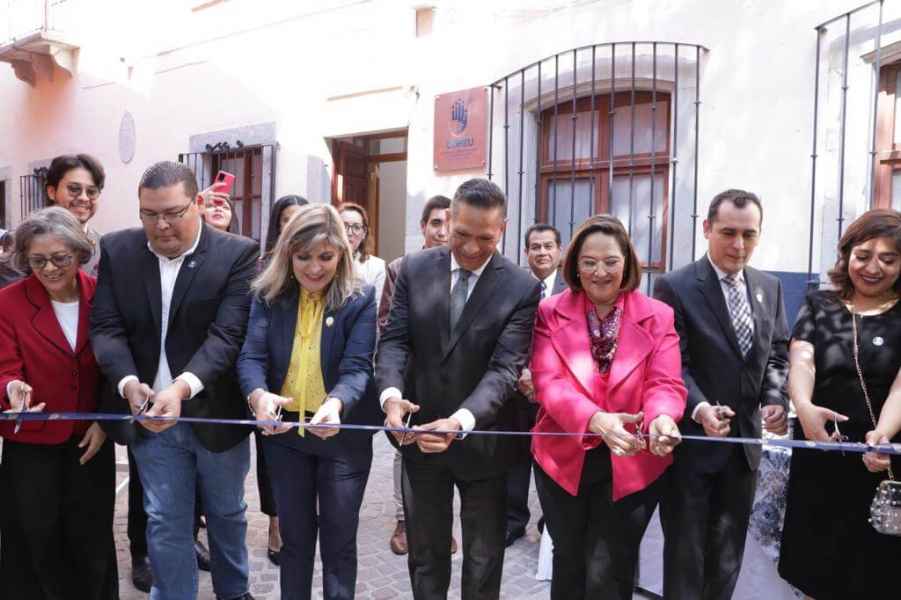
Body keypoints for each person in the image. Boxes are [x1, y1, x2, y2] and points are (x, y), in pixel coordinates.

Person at [90, 161, 258, 600]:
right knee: (165, 519)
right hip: (150, 417)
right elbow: (106, 327)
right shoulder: (119, 251)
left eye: (172, 213)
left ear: (198, 203)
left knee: (227, 513)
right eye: (149, 214)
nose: (160, 225)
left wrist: (181, 388)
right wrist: (128, 383)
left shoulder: (237, 253)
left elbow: (227, 336)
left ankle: (233, 592)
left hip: (215, 412)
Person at [377, 178, 541, 600]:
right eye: (462, 234)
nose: (470, 248)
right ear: (449, 219)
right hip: (419, 437)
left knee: (484, 560)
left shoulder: (522, 287)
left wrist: (460, 421)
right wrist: (391, 397)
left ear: (502, 229)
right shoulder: (413, 268)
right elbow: (394, 341)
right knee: (426, 556)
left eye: (485, 238)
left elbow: (504, 370)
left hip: (484, 441)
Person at [530, 215, 684, 599]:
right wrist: (595, 420)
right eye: (589, 262)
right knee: (569, 560)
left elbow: (664, 382)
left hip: (632, 459)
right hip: (563, 456)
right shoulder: (550, 311)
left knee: (613, 566)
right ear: (574, 265)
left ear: (627, 263)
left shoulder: (658, 315)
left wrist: (662, 417)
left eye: (611, 261)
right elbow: (549, 382)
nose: (600, 272)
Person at [237, 202, 380, 600]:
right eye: (303, 257)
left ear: (342, 254)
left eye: (325, 257)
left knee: (339, 544)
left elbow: (357, 366)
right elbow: (251, 357)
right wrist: (258, 395)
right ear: (288, 253)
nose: (314, 268)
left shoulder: (359, 297)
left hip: (342, 439)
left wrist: (336, 404)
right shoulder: (268, 295)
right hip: (285, 437)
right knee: (294, 543)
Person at [653, 188, 790, 600]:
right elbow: (673, 363)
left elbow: (777, 351)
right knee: (686, 556)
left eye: (749, 234)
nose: (739, 245)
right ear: (707, 228)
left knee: (727, 557)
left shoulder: (769, 286)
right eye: (729, 232)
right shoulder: (675, 286)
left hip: (744, 449)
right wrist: (699, 408)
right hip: (692, 448)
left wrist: (775, 398)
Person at [778, 209, 901, 599]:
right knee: (819, 568)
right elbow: (802, 360)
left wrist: (883, 435)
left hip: (883, 459)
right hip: (822, 451)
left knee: (878, 571)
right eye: (863, 255)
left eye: (889, 259)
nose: (873, 268)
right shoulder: (820, 304)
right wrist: (803, 406)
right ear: (846, 254)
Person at [0, 207, 117, 599]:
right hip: (30, 443)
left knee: (91, 542)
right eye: (38, 260)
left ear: (79, 253)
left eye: (59, 258)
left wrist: (105, 420)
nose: (49, 269)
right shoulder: (8, 302)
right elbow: (4, 366)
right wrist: (11, 388)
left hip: (90, 440)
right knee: (33, 542)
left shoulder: (103, 296)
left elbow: (117, 366)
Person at [378, 194, 454, 556]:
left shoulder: (464, 267)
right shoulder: (402, 268)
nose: (443, 231)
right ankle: (404, 519)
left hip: (452, 381)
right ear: (423, 227)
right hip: (412, 378)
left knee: (447, 446)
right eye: (435, 223)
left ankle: (441, 524)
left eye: (449, 223)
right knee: (406, 447)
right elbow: (387, 325)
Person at [505, 223, 567, 547]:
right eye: (535, 247)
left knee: (552, 460)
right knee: (515, 458)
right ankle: (513, 521)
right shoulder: (515, 287)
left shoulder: (573, 290)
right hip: (518, 390)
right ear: (526, 252)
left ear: (559, 250)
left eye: (548, 246)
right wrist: (520, 373)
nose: (542, 252)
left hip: (556, 393)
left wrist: (542, 378)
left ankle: (551, 522)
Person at [255, 193, 309, 566]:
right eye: (286, 219)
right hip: (272, 383)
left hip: (309, 383)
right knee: (270, 459)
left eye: (299, 218)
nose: (293, 225)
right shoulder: (264, 270)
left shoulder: (320, 267)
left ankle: (300, 520)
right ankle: (275, 523)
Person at [44, 153, 106, 276]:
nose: (84, 198)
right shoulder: (27, 244)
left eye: (91, 191)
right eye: (74, 189)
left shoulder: (106, 247)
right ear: (52, 192)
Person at [339, 202, 386, 311]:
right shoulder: (325, 262)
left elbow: (377, 309)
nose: (349, 232)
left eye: (356, 227)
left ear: (364, 233)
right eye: (344, 226)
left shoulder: (377, 266)